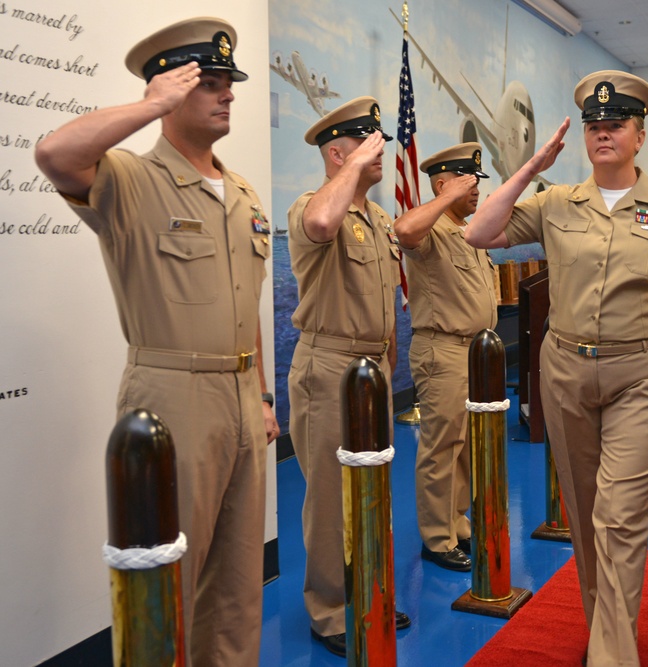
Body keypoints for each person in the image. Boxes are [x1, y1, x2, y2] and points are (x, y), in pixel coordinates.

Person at [33, 17, 279, 665]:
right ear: (170, 88)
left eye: (230, 82)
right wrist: (150, 106)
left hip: (241, 395)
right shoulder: (130, 181)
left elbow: (245, 299)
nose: (228, 94)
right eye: (211, 83)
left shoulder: (244, 191)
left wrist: (259, 394)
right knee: (167, 571)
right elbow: (55, 154)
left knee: (236, 577)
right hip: (171, 397)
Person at [465, 71, 648, 666]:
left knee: (619, 514)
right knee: (584, 514)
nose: (603, 134)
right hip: (567, 374)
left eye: (616, 125)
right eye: (594, 126)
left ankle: (612, 655)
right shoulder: (556, 204)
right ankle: (608, 629)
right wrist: (530, 169)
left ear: (640, 136)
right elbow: (479, 232)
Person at [287, 96, 410, 656]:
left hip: (372, 368)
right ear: (337, 153)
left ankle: (370, 590)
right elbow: (320, 222)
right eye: (365, 143)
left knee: (373, 486)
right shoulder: (311, 206)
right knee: (334, 494)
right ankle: (332, 608)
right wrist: (354, 169)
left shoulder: (380, 220)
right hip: (329, 366)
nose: (379, 149)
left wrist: (386, 360)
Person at [393, 142, 496, 572]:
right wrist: (444, 200)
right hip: (444, 350)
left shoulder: (468, 232)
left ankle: (458, 525)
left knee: (464, 447)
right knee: (441, 446)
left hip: (474, 352)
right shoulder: (431, 228)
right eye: (466, 181)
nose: (475, 189)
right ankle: (436, 539)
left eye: (477, 182)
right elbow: (403, 231)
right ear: (442, 184)